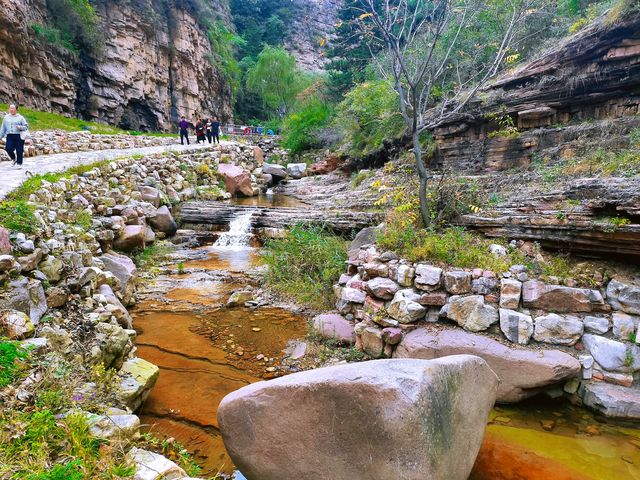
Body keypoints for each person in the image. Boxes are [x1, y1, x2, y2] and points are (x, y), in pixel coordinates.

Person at [0, 104, 29, 169]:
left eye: (13, 108)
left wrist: (20, 127)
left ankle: (19, 163)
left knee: (19, 150)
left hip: (19, 136)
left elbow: (26, 126)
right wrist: (0, 136)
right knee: (8, 148)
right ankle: (14, 158)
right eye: (10, 108)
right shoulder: (6, 117)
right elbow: (3, 128)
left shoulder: (21, 117)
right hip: (10, 135)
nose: (11, 109)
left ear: (16, 109)